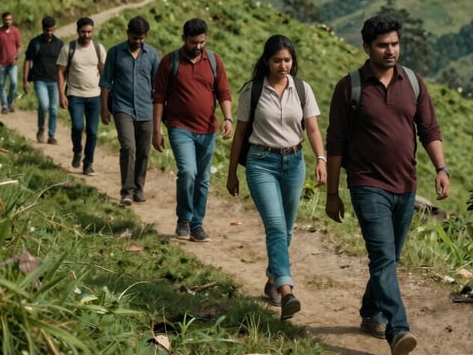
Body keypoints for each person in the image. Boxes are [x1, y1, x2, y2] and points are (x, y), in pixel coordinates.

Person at [325, 14, 451, 355]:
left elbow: (429, 129)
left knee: (390, 258)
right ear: (366, 48)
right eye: (383, 45)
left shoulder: (412, 82)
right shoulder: (349, 87)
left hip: (407, 186)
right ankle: (398, 330)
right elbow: (334, 144)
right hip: (367, 186)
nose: (390, 50)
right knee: (383, 258)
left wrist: (441, 169)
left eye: (395, 43)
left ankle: (371, 311)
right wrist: (333, 194)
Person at [226, 35, 327, 320]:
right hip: (261, 163)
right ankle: (286, 291)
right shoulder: (253, 91)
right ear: (266, 61)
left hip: (294, 163)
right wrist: (233, 171)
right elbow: (241, 134)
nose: (283, 66)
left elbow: (313, 129)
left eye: (287, 60)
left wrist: (321, 159)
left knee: (288, 228)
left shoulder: (303, 90)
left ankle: (272, 279)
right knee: (275, 226)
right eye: (277, 60)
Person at [153, 18, 233, 243]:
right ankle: (184, 219)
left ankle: (197, 224)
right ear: (183, 39)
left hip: (208, 129)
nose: (198, 46)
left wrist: (228, 118)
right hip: (180, 127)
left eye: (202, 42)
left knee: (203, 178)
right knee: (188, 172)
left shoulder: (214, 61)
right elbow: (158, 97)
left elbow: (223, 93)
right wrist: (156, 129)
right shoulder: (170, 62)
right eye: (193, 42)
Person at [100, 16, 159, 206]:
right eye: (135, 38)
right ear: (128, 34)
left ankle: (138, 189)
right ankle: (126, 191)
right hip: (122, 107)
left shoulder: (152, 55)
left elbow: (157, 85)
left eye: (141, 38)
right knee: (128, 148)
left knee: (143, 151)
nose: (138, 41)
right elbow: (105, 83)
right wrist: (104, 109)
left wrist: (159, 115)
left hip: (146, 109)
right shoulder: (115, 53)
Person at [57, 17, 107, 176]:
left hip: (95, 96)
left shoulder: (98, 49)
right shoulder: (69, 48)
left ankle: (88, 163)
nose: (87, 35)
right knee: (78, 126)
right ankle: (77, 150)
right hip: (75, 95)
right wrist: (61, 95)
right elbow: (60, 72)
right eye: (83, 32)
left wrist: (107, 97)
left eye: (89, 32)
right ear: (77, 31)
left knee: (92, 131)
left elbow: (104, 72)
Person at [23, 16, 64, 146]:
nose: (49, 33)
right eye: (47, 30)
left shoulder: (60, 44)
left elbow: (63, 65)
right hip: (39, 79)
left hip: (55, 80)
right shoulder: (35, 42)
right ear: (42, 29)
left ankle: (51, 135)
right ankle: (41, 128)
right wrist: (25, 80)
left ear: (55, 29)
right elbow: (28, 60)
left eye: (51, 30)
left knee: (54, 109)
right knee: (44, 104)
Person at [0, 11, 22, 114]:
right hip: (1, 63)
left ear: (12, 20)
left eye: (9, 19)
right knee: (2, 84)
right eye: (6, 20)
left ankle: (10, 102)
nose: (8, 21)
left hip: (12, 63)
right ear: (3, 20)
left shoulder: (15, 31)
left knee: (14, 83)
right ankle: (4, 105)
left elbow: (19, 46)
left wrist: (16, 56)